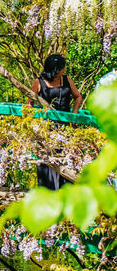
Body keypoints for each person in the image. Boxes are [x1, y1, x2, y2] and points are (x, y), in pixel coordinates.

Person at [28, 54, 83, 190]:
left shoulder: (67, 80)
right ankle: (48, 192)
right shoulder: (38, 82)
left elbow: (78, 97)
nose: (64, 69)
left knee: (67, 159)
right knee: (48, 161)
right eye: (61, 67)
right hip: (47, 129)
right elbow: (29, 105)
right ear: (53, 68)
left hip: (66, 127)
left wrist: (74, 112)